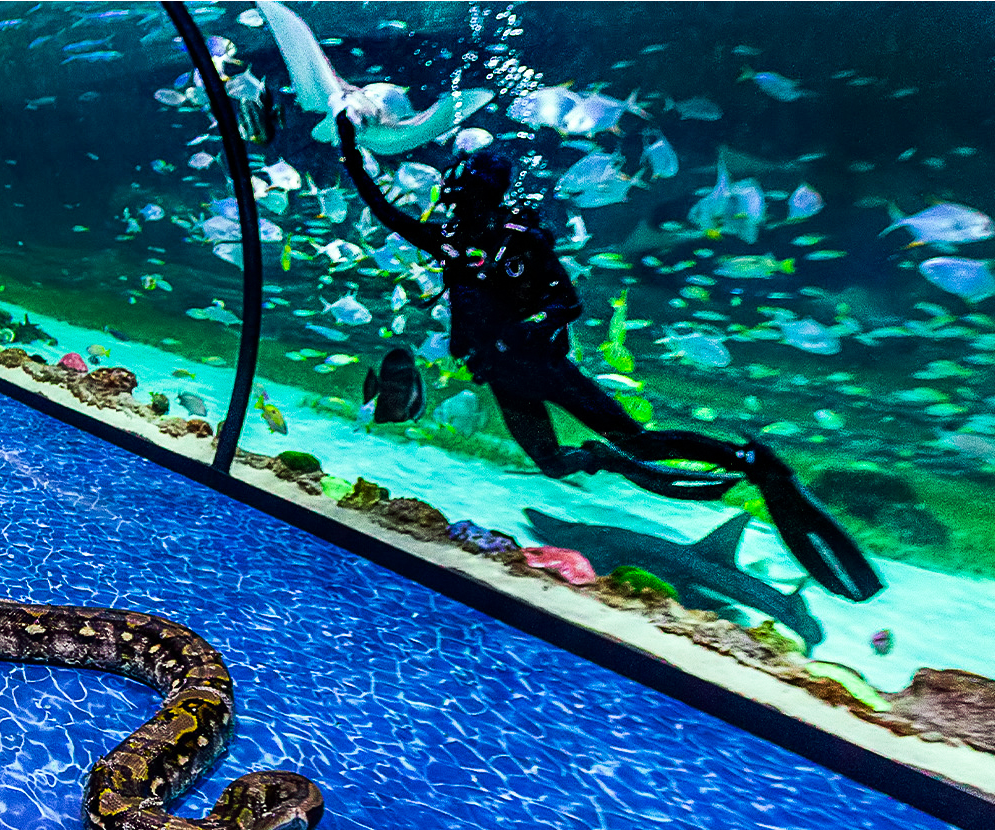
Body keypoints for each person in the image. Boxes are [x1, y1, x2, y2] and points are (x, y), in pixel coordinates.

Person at [335, 111, 882, 602]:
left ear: (482, 194)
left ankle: (747, 460)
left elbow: (566, 302)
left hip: (544, 369)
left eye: (465, 194)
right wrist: (350, 147)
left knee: (640, 441)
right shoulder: (451, 242)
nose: (456, 203)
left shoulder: (521, 242)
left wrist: (533, 325)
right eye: (459, 196)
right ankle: (604, 458)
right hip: (503, 376)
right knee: (553, 464)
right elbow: (382, 209)